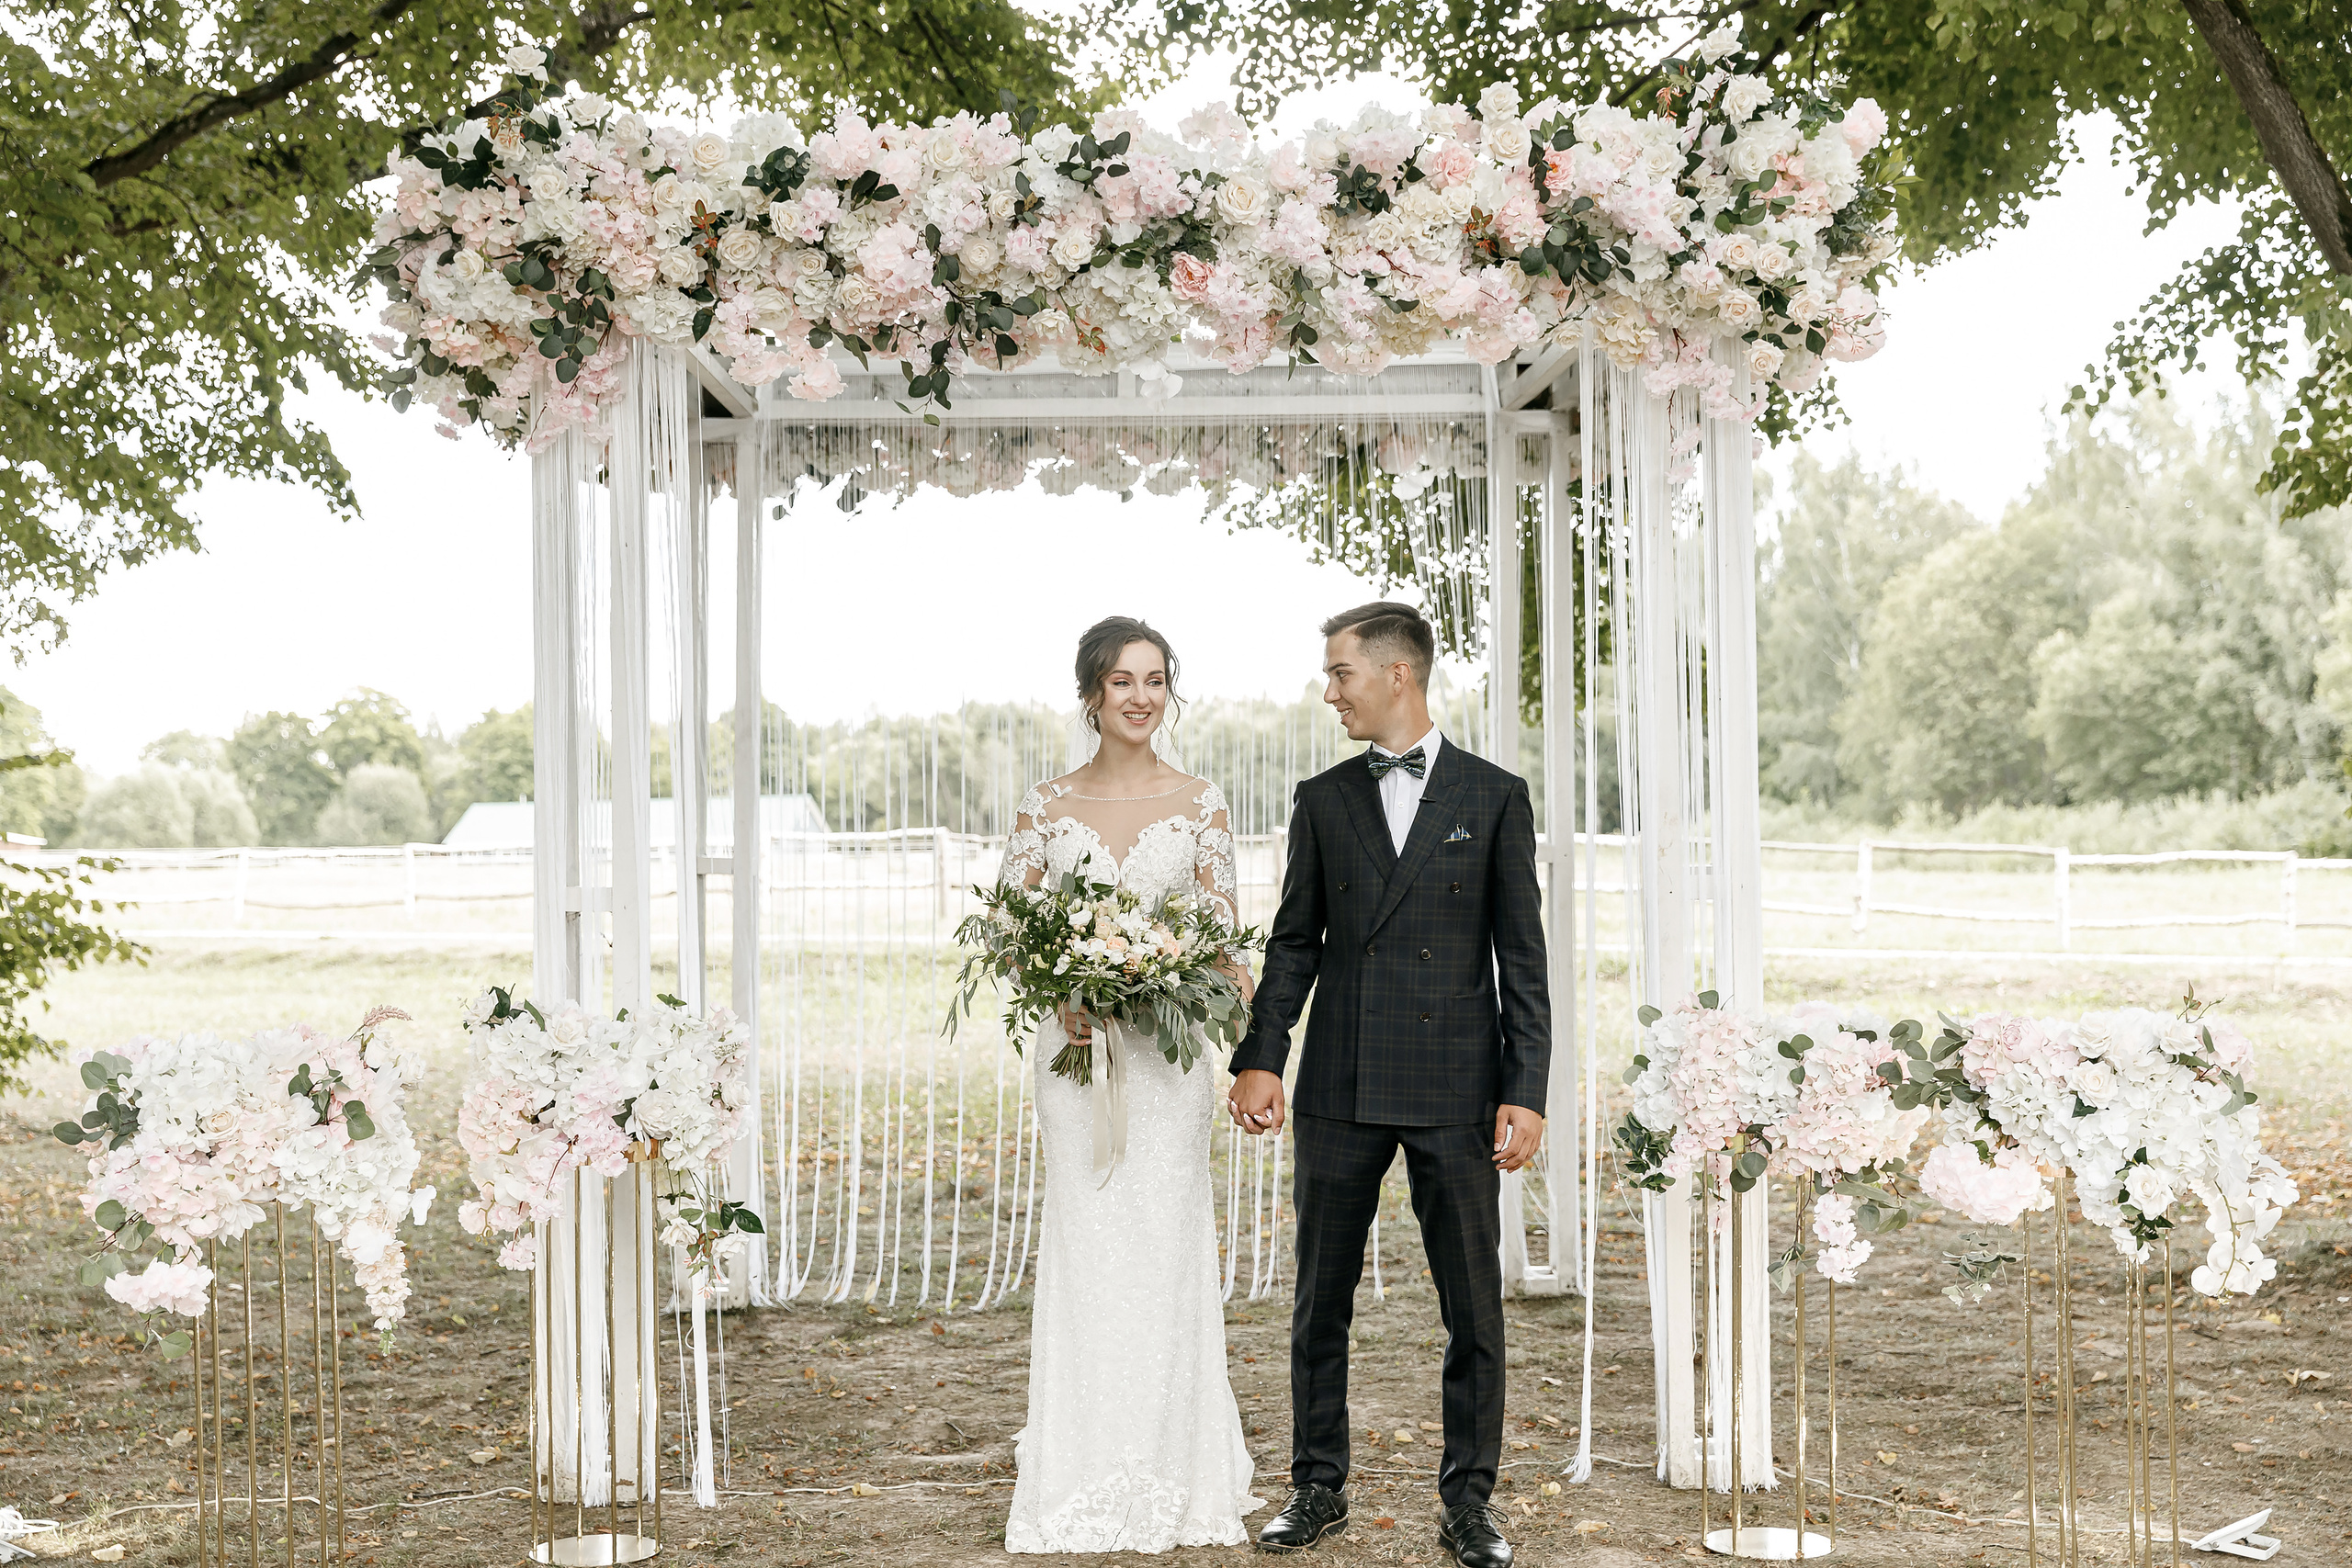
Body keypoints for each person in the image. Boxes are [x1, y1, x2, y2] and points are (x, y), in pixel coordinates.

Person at [1228, 602, 1549, 1568]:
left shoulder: (1494, 795)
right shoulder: (1322, 798)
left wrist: (1526, 1086)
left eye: (1341, 673)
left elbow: (1521, 959)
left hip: (1458, 1087)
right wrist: (1261, 1054)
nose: (1330, 692)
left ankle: (1470, 1501)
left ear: (1396, 674)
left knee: (1472, 1308)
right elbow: (1294, 943)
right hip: (1341, 1081)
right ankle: (1316, 1484)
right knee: (1319, 1298)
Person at [998, 615, 1261, 1553]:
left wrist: (1169, 976)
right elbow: (1009, 934)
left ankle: (1171, 1463)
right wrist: (1064, 990)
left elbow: (1228, 950)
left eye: (1155, 681)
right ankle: (1079, 1462)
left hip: (1165, 1066)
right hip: (1075, 1062)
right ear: (1091, 694)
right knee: (1087, 1242)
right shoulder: (1045, 805)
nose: (1141, 698)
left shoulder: (1200, 803)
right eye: (1122, 681)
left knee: (1163, 1242)